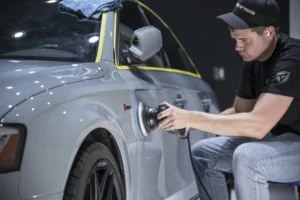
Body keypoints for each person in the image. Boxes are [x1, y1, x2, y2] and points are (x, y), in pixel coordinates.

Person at [156, 0, 300, 199]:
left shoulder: (292, 59)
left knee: (248, 157)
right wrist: (194, 125)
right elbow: (240, 111)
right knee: (202, 153)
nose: (237, 47)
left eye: (244, 40)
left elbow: (257, 126)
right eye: (235, 39)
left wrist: (189, 117)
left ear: (268, 32)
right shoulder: (254, 59)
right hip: (278, 139)